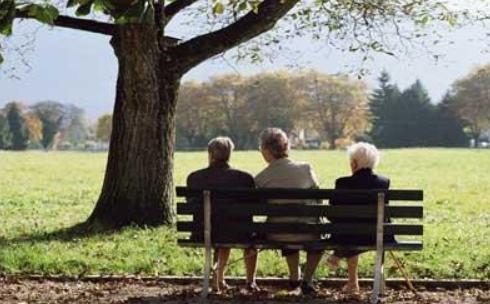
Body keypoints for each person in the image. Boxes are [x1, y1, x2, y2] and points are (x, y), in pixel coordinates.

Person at [255, 128, 324, 295]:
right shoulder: (306, 169)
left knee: (285, 226)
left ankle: (294, 278)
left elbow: (258, 206)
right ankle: (307, 281)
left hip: (277, 233)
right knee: (315, 237)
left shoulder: (261, 178)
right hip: (308, 232)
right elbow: (319, 199)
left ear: (265, 150)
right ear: (286, 147)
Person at [186, 137, 259, 292]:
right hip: (239, 233)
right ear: (230, 154)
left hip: (203, 232)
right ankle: (250, 281)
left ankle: (219, 280)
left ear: (210, 154)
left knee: (221, 230)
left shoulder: (194, 178)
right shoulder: (245, 178)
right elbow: (253, 205)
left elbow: (190, 202)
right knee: (243, 232)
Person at [326, 142, 393, 295]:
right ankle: (378, 280)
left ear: (354, 163)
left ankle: (351, 280)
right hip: (377, 235)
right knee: (374, 226)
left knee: (349, 226)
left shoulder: (342, 183)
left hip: (348, 235)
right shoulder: (384, 182)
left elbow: (332, 214)